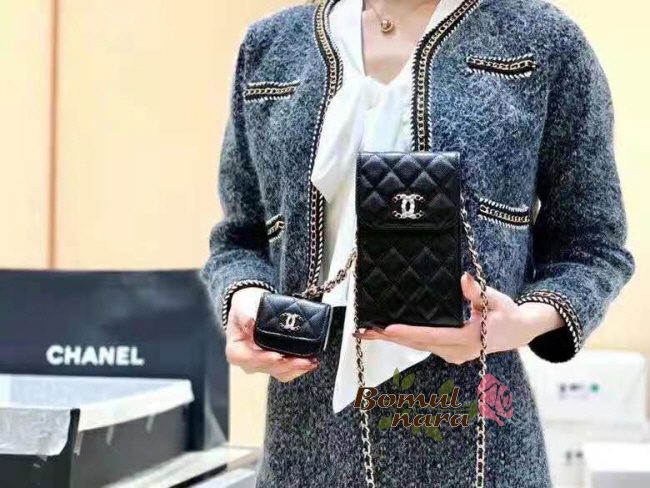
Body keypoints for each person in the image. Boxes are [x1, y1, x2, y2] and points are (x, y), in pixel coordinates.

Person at [200, 0, 635, 486]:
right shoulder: (271, 46)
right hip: (303, 443)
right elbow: (239, 239)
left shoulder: (542, 41)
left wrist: (522, 322)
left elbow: (594, 247)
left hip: (477, 441)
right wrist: (246, 300)